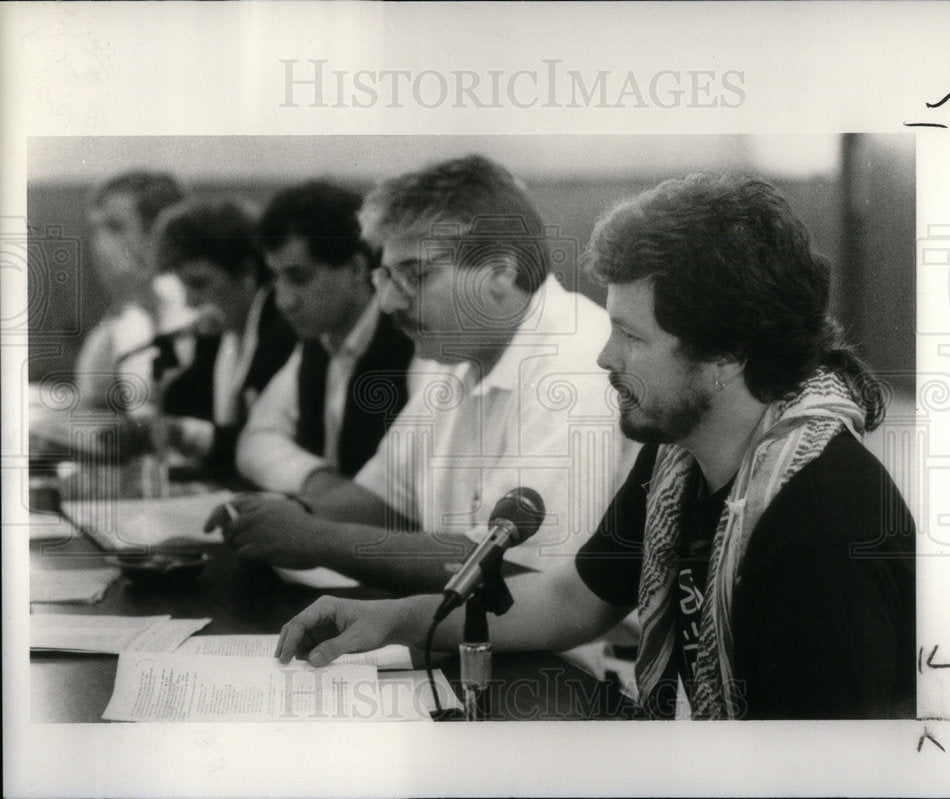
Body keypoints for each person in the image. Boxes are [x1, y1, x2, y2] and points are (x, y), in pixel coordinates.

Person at [274, 173, 916, 720]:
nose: (606, 356)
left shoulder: (821, 529)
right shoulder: (679, 455)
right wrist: (392, 620)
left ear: (725, 352)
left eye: (631, 336)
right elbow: (570, 599)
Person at [206, 155, 639, 592]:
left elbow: (515, 573)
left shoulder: (574, 363)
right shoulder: (458, 356)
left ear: (499, 271)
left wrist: (317, 539)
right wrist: (283, 516)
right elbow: (382, 498)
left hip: (565, 657)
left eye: (415, 275)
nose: (390, 303)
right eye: (386, 277)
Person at [236, 179, 416, 494]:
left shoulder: (412, 343)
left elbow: (404, 496)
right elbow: (256, 439)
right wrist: (320, 484)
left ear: (356, 268)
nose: (283, 301)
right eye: (275, 278)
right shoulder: (316, 340)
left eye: (299, 278)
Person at [152, 196, 297, 473]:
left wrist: (188, 433)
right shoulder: (222, 334)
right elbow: (189, 409)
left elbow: (259, 442)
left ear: (247, 272)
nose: (190, 302)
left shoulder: (282, 333)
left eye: (199, 283)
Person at [75, 170, 191, 413]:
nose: (99, 243)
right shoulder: (124, 311)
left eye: (114, 227)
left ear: (161, 234)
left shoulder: (186, 308)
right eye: (95, 229)